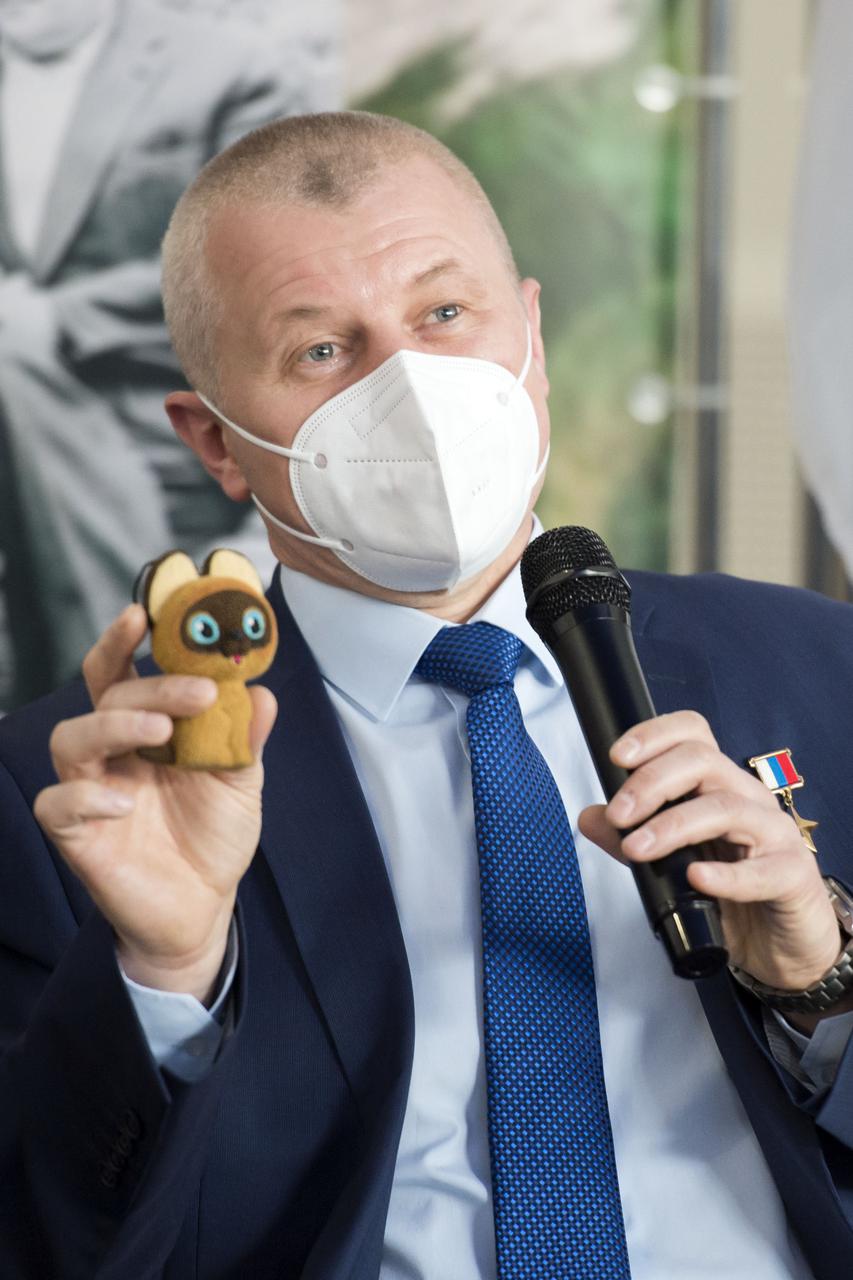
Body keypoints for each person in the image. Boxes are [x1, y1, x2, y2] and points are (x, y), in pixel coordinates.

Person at [1, 111, 853, 1280]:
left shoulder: (813, 663)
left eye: (445, 314)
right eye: (321, 350)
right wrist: (164, 978)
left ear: (532, 340)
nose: (410, 385)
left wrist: (819, 986)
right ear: (215, 441)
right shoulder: (71, 790)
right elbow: (48, 1236)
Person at [0, 0, 331, 707]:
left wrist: (51, 318)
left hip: (160, 419)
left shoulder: (231, 72)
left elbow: (275, 268)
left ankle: (127, 676)